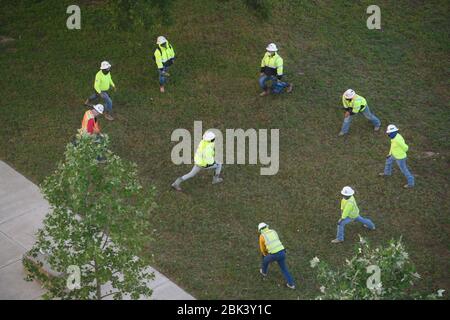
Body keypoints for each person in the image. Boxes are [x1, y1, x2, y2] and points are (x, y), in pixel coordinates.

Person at [258, 222, 295, 289]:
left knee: (265, 261)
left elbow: (262, 248)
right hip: (282, 252)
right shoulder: (273, 231)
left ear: (260, 230)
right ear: (267, 226)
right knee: (284, 269)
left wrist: (265, 255)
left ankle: (264, 272)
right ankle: (291, 284)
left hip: (273, 254)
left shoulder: (262, 236)